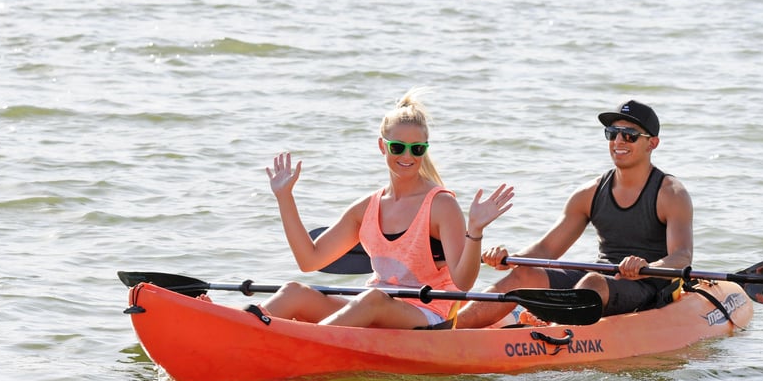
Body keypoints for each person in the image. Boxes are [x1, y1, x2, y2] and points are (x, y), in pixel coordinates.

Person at [254, 89, 514, 329]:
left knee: (372, 299)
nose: (408, 156)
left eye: (417, 149)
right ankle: (241, 328)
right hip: (372, 307)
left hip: (428, 317)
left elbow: (463, 283)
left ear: (425, 150)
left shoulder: (441, 205)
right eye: (398, 147)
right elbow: (309, 260)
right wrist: (284, 198)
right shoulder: (366, 208)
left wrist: (475, 231)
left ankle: (304, 344)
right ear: (383, 146)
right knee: (293, 292)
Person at [454, 99, 692, 329]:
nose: (618, 140)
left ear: (652, 143)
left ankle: (552, 334)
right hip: (603, 279)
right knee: (525, 274)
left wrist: (646, 266)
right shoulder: (588, 193)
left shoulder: (671, 193)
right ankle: (449, 329)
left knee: (591, 283)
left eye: (629, 135)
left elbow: (682, 256)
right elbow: (547, 250)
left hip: (646, 284)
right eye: (612, 133)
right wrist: (510, 259)